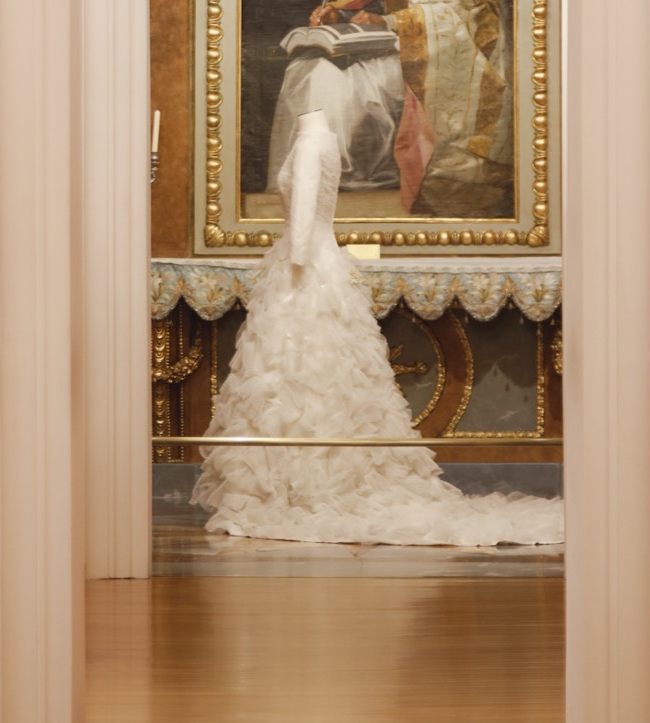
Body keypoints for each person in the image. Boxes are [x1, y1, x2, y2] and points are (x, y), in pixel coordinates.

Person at [192, 109, 564, 547]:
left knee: (296, 373)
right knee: (311, 375)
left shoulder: (312, 143)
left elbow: (303, 218)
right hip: (315, 261)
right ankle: (297, 479)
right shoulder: (323, 138)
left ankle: (301, 486)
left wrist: (289, 268)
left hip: (304, 267)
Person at [265, 0, 510, 217]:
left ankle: (346, 176)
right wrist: (336, 13)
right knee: (311, 70)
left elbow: (475, 12)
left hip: (432, 56)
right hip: (400, 48)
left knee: (347, 84)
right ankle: (318, 179)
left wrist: (393, 22)